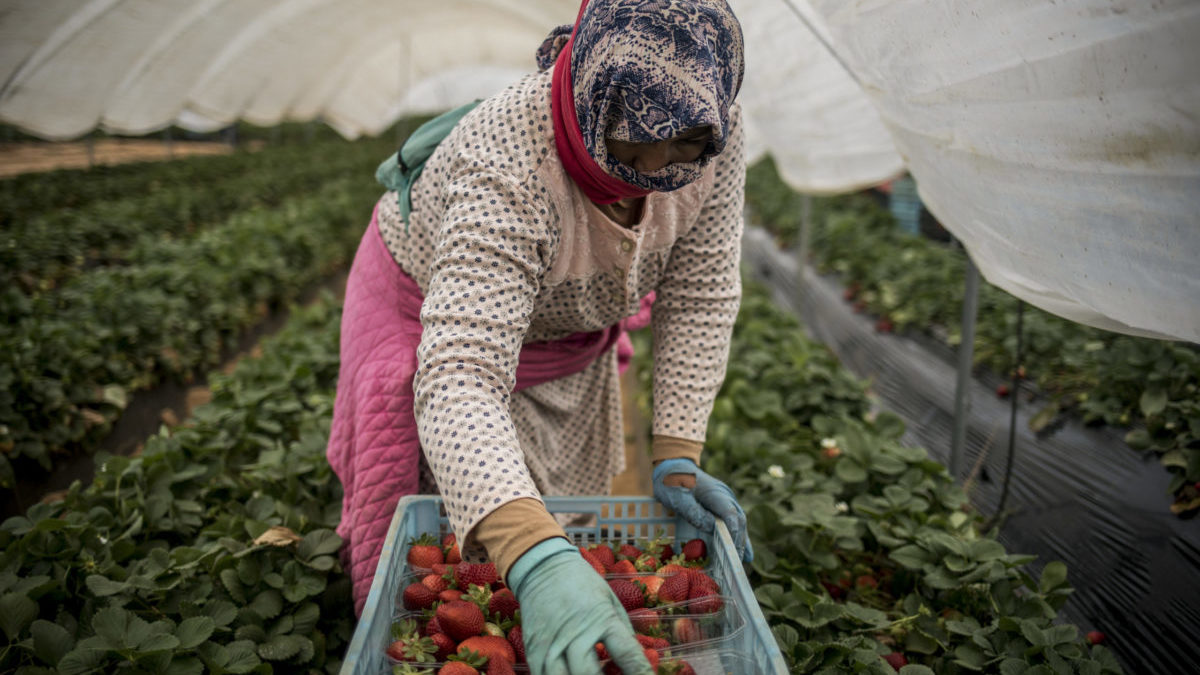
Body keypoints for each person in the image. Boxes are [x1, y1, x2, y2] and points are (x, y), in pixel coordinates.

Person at [326, 0, 750, 672]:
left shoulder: (715, 134)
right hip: (436, 317)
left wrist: (676, 446)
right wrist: (533, 552)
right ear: (589, 105)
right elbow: (462, 374)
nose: (661, 167)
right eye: (636, 140)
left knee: (559, 515)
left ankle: (558, 600)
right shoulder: (511, 156)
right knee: (467, 536)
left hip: (565, 330)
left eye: (687, 145)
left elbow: (700, 292)